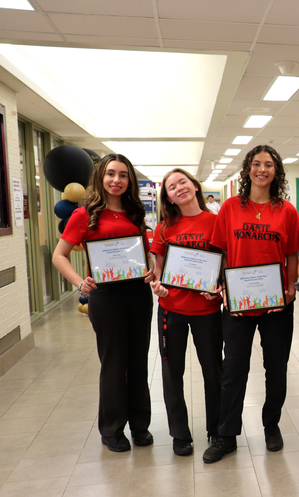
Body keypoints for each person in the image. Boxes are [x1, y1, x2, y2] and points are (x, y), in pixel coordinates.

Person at [202, 145, 299, 463]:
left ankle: (271, 424)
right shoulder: (230, 207)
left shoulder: (286, 211)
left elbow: (292, 255)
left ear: (276, 171)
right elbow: (222, 252)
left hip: (276, 307)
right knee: (233, 370)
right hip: (239, 304)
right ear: (247, 170)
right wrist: (224, 288)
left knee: (276, 368)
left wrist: (288, 291)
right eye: (256, 164)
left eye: (268, 164)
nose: (262, 169)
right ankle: (226, 434)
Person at [52, 154, 156, 453]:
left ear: (129, 181)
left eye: (123, 175)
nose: (116, 180)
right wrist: (78, 282)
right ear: (100, 177)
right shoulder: (85, 214)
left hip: (138, 293)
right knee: (114, 363)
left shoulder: (135, 212)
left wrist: (149, 268)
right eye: (111, 174)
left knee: (138, 362)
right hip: (106, 297)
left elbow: (143, 254)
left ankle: (140, 425)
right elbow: (59, 255)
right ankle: (111, 429)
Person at [149, 169, 222, 456]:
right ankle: (180, 434)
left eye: (183, 182)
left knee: (214, 371)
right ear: (167, 196)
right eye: (172, 187)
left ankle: (217, 430)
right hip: (172, 309)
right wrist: (159, 287)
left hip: (207, 309)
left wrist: (218, 287)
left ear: (194, 185)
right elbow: (159, 270)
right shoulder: (165, 228)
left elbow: (224, 264)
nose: (179, 188)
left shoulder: (216, 222)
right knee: (171, 372)